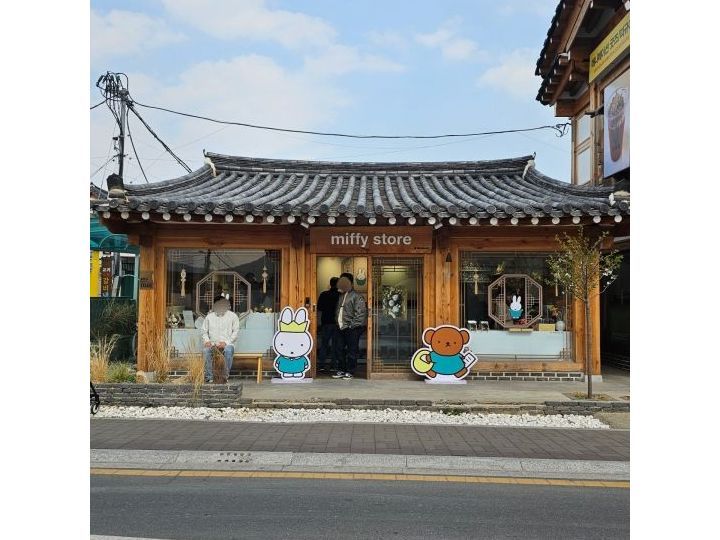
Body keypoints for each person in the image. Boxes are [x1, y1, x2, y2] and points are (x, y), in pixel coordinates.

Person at [332, 273, 367, 380]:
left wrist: (352, 326)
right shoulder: (341, 295)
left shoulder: (357, 296)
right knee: (339, 349)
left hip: (352, 328)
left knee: (352, 350)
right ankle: (341, 369)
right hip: (340, 327)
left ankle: (350, 371)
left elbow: (360, 313)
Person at [202, 297, 239, 383]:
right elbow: (204, 331)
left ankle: (224, 377)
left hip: (228, 344)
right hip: (213, 344)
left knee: (228, 350)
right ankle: (209, 377)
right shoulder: (209, 317)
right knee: (206, 351)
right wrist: (207, 341)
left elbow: (235, 332)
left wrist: (226, 342)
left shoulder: (233, 316)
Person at [316, 277, 340, 374]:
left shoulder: (324, 294)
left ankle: (321, 365)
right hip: (337, 323)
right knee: (335, 345)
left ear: (330, 284)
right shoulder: (341, 295)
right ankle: (334, 365)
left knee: (324, 344)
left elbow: (319, 308)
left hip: (326, 322)